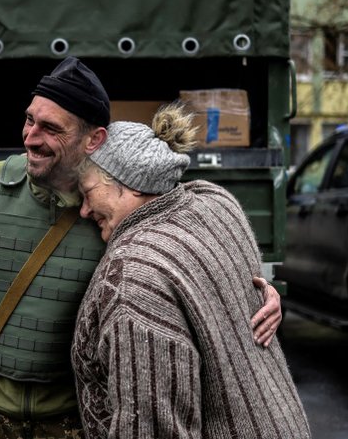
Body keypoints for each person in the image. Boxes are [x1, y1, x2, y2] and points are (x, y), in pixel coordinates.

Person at [0, 57, 282, 438]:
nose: (30, 137)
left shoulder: (118, 203)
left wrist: (259, 293)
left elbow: (196, 249)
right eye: (29, 120)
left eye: (50, 128)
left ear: (93, 139)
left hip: (75, 420)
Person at [70, 102, 310, 439]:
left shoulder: (134, 277)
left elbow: (153, 428)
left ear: (133, 183)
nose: (83, 210)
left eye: (88, 193)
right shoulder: (216, 202)